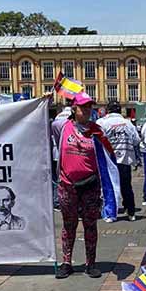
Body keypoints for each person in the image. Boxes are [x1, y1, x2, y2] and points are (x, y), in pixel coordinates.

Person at [55, 92, 108, 279]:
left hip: (90, 186)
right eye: (82, 106)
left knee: (90, 225)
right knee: (68, 225)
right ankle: (66, 262)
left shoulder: (97, 130)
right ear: (73, 108)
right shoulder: (61, 126)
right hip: (67, 185)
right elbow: (40, 124)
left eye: (89, 106)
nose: (86, 110)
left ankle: (90, 263)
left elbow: (107, 157)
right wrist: (45, 101)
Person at [97, 101, 141, 221]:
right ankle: (131, 212)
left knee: (109, 186)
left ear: (108, 110)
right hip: (125, 159)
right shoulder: (128, 123)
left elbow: (96, 140)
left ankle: (111, 213)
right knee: (126, 186)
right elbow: (136, 140)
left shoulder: (102, 122)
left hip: (109, 160)